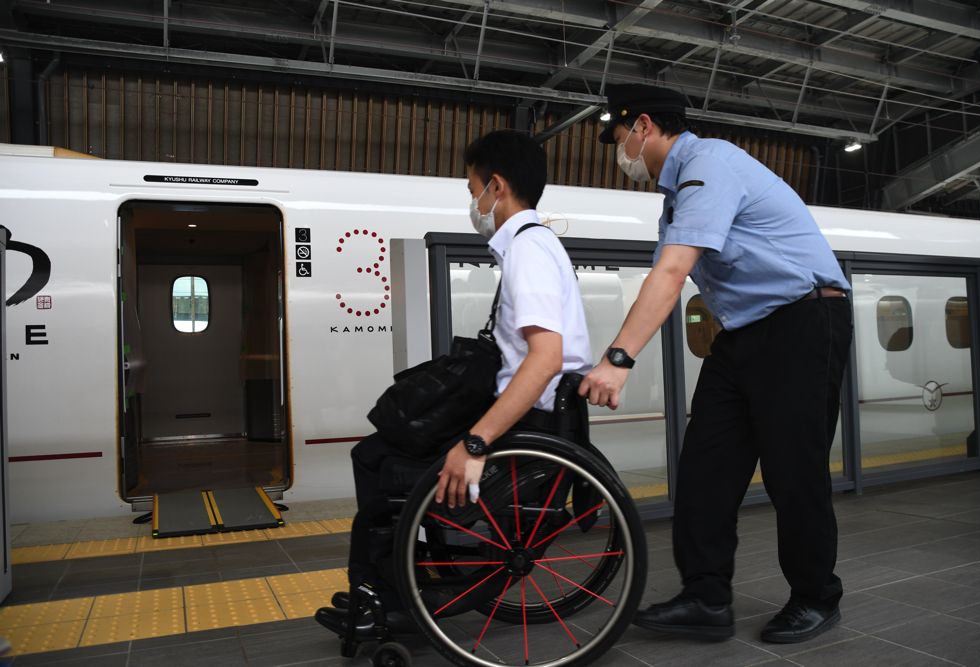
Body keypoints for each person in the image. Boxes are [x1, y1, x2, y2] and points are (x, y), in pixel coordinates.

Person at [579, 84, 853, 644]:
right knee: (705, 466)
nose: (619, 151)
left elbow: (672, 273)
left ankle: (816, 596)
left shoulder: (710, 163)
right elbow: (667, 283)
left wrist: (619, 358)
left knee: (792, 471)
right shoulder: (675, 197)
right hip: (744, 334)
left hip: (801, 321)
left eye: (617, 137)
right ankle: (706, 597)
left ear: (644, 127)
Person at [315, 129, 593, 637]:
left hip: (526, 424)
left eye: (473, 192)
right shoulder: (535, 245)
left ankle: (393, 601)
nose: (474, 204)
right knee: (378, 453)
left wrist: (474, 442)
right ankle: (381, 588)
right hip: (540, 417)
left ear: (497, 187)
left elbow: (546, 357)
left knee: (382, 462)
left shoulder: (528, 252)